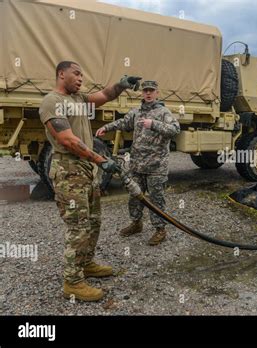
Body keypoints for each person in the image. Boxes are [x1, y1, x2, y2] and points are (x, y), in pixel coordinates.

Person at [39, 60, 141, 302]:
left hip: (85, 171)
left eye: (82, 75)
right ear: (61, 74)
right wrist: (101, 159)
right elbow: (68, 141)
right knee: (78, 226)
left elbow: (104, 95)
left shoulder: (79, 100)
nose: (80, 78)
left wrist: (121, 85)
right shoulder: (52, 102)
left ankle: (86, 264)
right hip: (68, 171)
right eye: (76, 74)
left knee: (94, 221)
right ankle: (72, 282)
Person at [96, 80, 180, 245]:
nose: (148, 93)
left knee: (156, 199)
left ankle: (160, 229)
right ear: (142, 93)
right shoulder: (136, 112)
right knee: (135, 197)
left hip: (156, 166)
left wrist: (153, 124)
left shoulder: (163, 112)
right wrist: (107, 127)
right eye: (145, 91)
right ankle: (136, 223)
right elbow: (123, 123)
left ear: (157, 93)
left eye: (151, 91)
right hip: (137, 165)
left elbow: (175, 130)